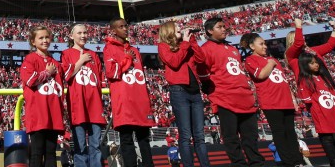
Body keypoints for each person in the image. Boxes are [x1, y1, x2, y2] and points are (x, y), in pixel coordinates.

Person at [198, 17, 264, 167]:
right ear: (209, 31)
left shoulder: (233, 49)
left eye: (224, 26)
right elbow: (202, 74)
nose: (223, 29)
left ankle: (257, 163)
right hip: (225, 98)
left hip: (245, 97)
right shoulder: (206, 49)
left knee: (251, 136)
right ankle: (239, 164)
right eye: (219, 27)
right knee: (231, 137)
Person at [288, 20, 335, 167]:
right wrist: (298, 27)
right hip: (315, 97)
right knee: (328, 135)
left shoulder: (312, 53)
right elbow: (298, 45)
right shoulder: (292, 57)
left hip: (328, 93)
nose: (301, 40)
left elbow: (330, 45)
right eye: (297, 39)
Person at [241, 31, 304, 167]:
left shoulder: (274, 60)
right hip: (271, 101)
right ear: (252, 46)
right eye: (261, 44)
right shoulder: (250, 60)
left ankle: (298, 161)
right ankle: (288, 162)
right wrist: (270, 64)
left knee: (291, 132)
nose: (265, 46)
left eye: (265, 44)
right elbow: (261, 75)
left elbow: (284, 81)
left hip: (286, 100)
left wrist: (293, 98)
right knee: (279, 133)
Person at [157, 21, 210, 167]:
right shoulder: (163, 46)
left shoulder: (187, 43)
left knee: (199, 136)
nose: (181, 28)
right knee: (185, 135)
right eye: (177, 27)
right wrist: (186, 44)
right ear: (169, 31)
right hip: (179, 92)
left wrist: (192, 41)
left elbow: (201, 59)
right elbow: (174, 62)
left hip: (195, 92)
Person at [103, 18, 154, 167]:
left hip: (139, 99)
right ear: (113, 30)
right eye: (121, 26)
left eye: (126, 26)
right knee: (126, 139)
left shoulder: (135, 50)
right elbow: (112, 73)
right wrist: (127, 59)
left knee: (144, 139)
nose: (125, 29)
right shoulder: (109, 48)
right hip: (124, 100)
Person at [61, 24, 106, 167]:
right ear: (71, 36)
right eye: (79, 33)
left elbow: (99, 80)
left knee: (96, 146)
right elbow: (67, 75)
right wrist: (80, 61)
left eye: (85, 32)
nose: (83, 35)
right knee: (80, 146)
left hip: (95, 105)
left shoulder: (94, 55)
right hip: (77, 105)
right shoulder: (66, 53)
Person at [20, 26, 64, 167]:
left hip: (53, 113)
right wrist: (47, 72)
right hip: (38, 113)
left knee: (51, 153)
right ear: (33, 41)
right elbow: (30, 80)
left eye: (47, 37)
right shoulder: (30, 59)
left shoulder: (55, 62)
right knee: (37, 152)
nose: (45, 40)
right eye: (41, 38)